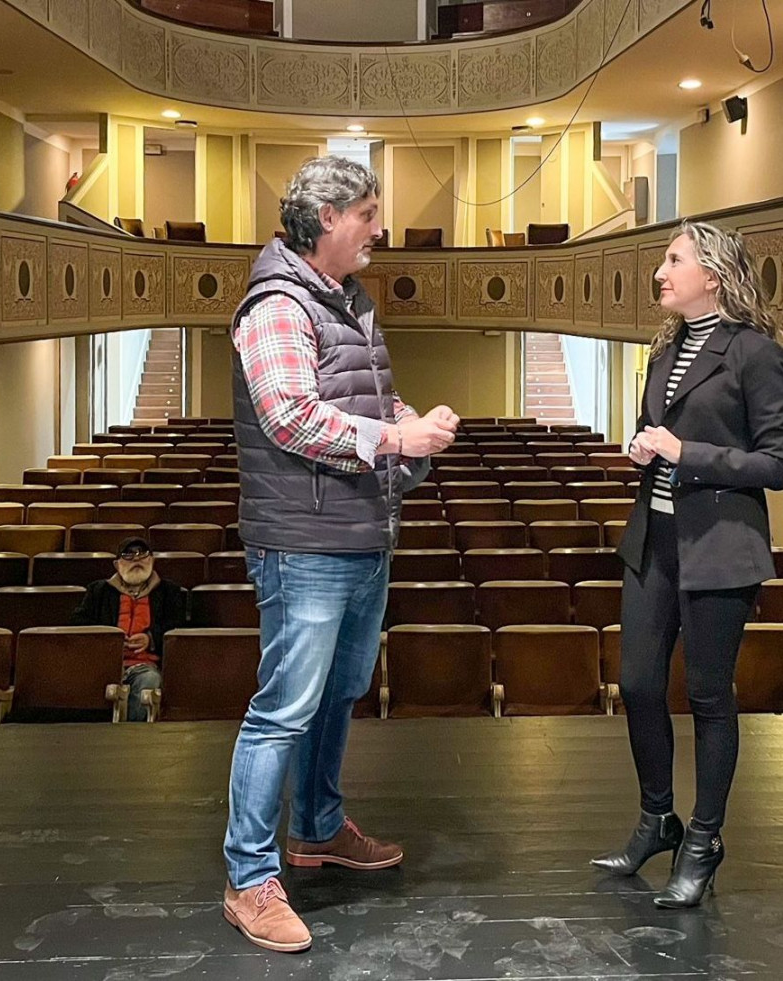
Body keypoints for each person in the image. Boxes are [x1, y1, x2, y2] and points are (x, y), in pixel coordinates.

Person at [221, 155, 460, 952]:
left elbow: (361, 399)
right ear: (326, 218)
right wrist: (395, 435)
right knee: (282, 709)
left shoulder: (345, 301)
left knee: (337, 693)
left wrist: (410, 421)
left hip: (358, 531)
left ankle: (318, 829)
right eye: (367, 213)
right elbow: (288, 416)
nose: (379, 228)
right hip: (303, 541)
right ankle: (249, 878)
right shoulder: (278, 306)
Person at [591, 220, 783, 907]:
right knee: (637, 683)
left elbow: (776, 461)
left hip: (720, 548)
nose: (659, 272)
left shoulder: (753, 352)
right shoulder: (666, 346)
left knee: (707, 696)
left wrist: (684, 454)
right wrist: (647, 447)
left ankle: (703, 839)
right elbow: (670, 432)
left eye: (673, 260)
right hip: (655, 540)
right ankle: (657, 818)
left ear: (713, 273)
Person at [70, 536, 187, 721]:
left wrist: (150, 639)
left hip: (145, 666)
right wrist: (110, 639)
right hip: (104, 665)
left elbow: (179, 627)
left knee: (149, 681)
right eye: (129, 556)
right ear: (117, 564)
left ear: (152, 560)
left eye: (142, 555)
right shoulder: (98, 590)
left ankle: (130, 737)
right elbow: (78, 623)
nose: (137, 560)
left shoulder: (169, 592)